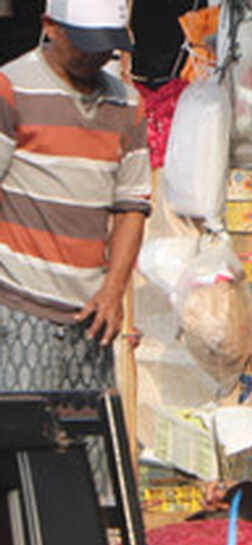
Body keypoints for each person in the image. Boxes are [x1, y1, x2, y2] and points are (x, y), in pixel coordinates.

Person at [0, 0, 149, 392]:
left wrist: (114, 290)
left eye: (106, 46)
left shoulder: (127, 103)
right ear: (51, 27)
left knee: (92, 447)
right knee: (25, 440)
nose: (96, 56)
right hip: (20, 309)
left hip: (92, 315)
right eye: (86, 44)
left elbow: (132, 206)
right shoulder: (11, 88)